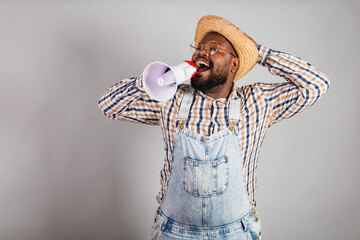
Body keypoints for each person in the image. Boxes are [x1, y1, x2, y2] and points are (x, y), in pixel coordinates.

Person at [99, 15, 329, 240]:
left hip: (236, 232)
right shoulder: (171, 100)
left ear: (234, 64)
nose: (201, 52)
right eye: (199, 48)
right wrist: (152, 80)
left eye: (213, 48)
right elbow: (110, 106)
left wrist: (259, 52)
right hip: (172, 232)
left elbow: (316, 84)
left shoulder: (258, 101)